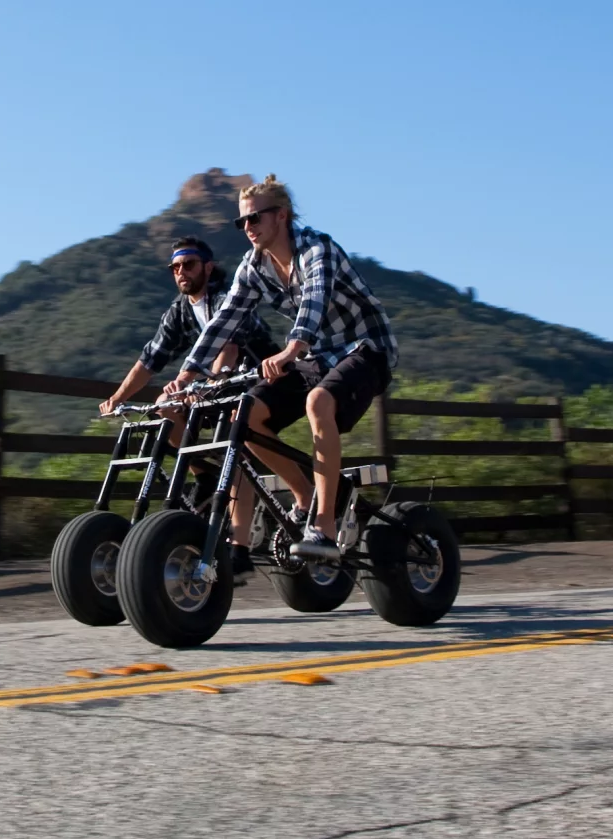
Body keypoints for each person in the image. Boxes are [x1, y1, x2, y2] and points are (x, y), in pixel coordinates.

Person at [166, 176, 394, 562]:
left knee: (319, 402)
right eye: (242, 223)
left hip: (365, 349)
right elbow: (224, 321)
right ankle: (305, 496)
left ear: (282, 216)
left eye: (254, 219)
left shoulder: (317, 249)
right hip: (316, 357)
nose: (248, 228)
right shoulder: (252, 268)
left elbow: (314, 299)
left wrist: (293, 346)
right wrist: (187, 375)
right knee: (245, 415)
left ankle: (325, 525)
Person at [101, 237, 274, 427]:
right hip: (221, 387)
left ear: (208, 268)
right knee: (164, 405)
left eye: (189, 264)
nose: (181, 272)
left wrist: (203, 388)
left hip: (262, 383)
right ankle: (189, 457)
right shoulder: (179, 312)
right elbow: (149, 360)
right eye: (175, 268)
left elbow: (229, 349)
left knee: (234, 422)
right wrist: (116, 399)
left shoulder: (227, 299)